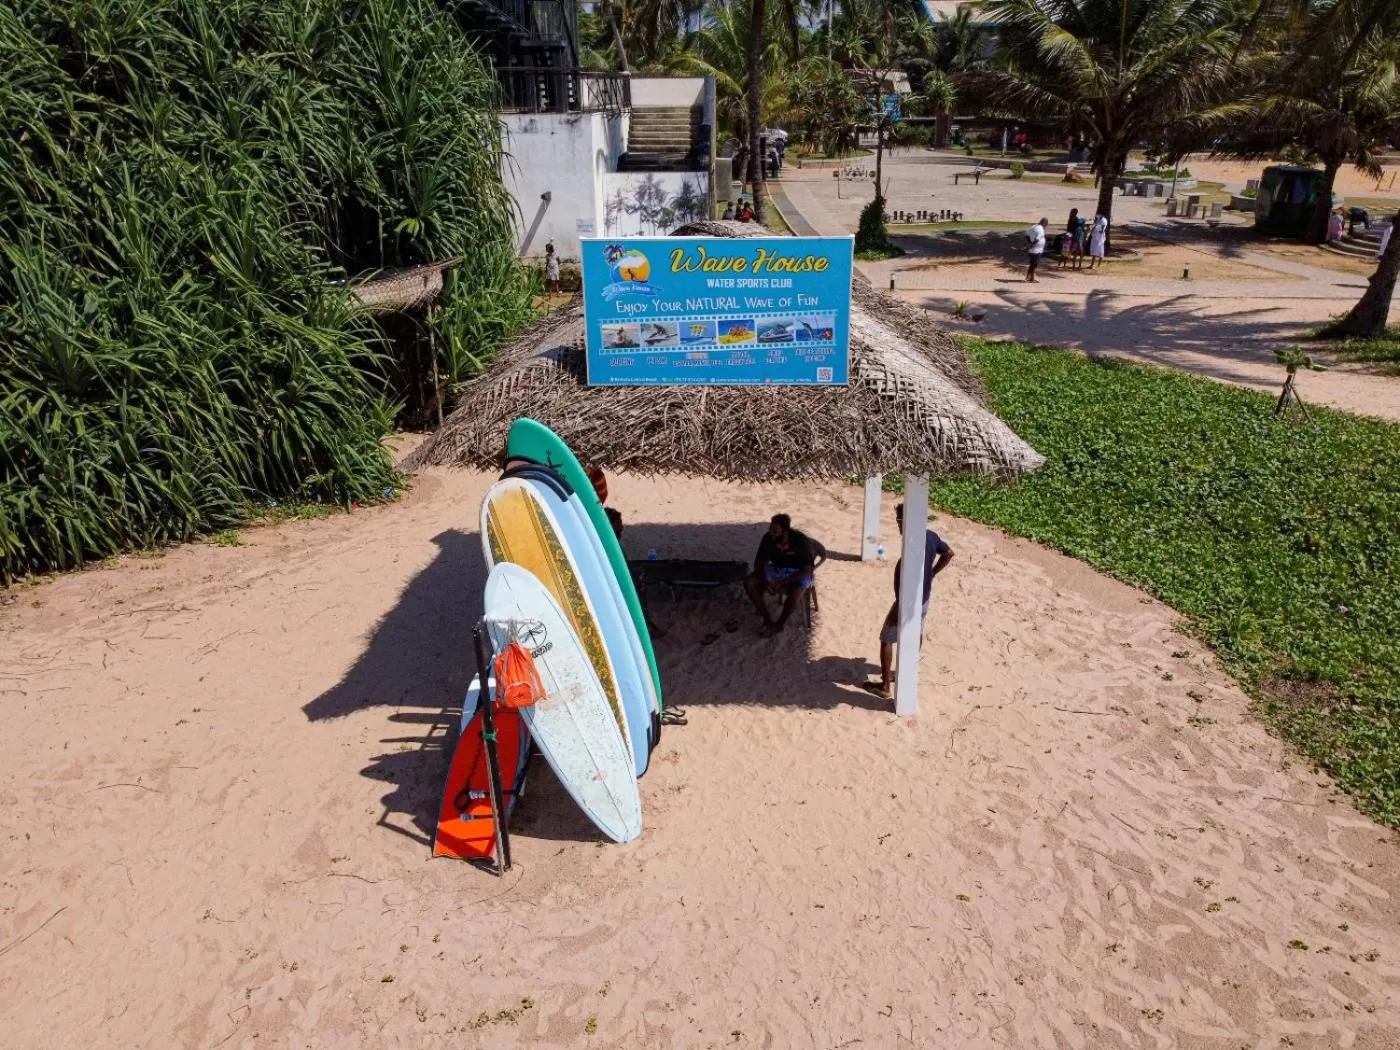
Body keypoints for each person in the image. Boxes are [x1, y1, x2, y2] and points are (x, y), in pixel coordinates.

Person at [864, 503, 954, 702]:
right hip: (924, 597)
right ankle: (904, 671)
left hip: (907, 600)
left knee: (886, 639)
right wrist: (933, 573)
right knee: (917, 633)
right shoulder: (931, 536)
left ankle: (885, 686)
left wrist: (899, 601)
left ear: (907, 521)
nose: (898, 524)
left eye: (899, 520)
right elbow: (948, 553)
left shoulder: (911, 542)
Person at [744, 513, 816, 637]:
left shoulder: (800, 541)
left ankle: (779, 624)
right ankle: (767, 620)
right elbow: (759, 563)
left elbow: (806, 571)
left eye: (775, 531)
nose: (771, 533)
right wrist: (765, 581)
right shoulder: (768, 538)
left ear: (785, 532)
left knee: (795, 594)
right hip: (777, 569)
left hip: (797, 572)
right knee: (749, 582)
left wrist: (782, 583)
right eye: (770, 529)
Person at [1025, 216, 1047, 282]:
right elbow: (1037, 239)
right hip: (1036, 250)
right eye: (1046, 225)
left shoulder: (1034, 226)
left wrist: (1029, 242)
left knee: (1032, 264)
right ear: (1045, 223)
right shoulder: (1041, 229)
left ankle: (1029, 277)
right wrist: (1031, 245)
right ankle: (1031, 278)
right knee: (1034, 264)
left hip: (1033, 250)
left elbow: (1027, 235)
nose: (1045, 226)